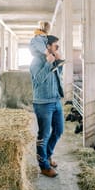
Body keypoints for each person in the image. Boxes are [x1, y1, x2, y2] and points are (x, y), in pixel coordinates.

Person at [30, 35, 64, 178]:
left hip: (56, 100)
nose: (58, 48)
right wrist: (49, 63)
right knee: (44, 135)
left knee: (58, 130)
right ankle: (44, 166)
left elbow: (57, 76)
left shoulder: (52, 59)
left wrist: (58, 62)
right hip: (43, 103)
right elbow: (38, 80)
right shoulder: (36, 61)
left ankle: (48, 155)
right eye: (56, 46)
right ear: (48, 46)